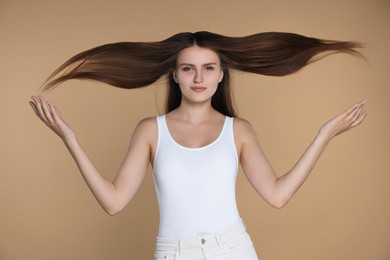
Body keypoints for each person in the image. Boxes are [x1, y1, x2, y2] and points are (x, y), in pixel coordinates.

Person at [29, 31, 367, 260]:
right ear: (175, 75)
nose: (198, 78)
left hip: (233, 249)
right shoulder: (150, 131)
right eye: (188, 68)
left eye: (208, 69)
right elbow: (113, 202)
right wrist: (69, 138)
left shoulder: (239, 131)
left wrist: (324, 135)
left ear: (221, 75)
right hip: (174, 252)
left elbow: (278, 196)